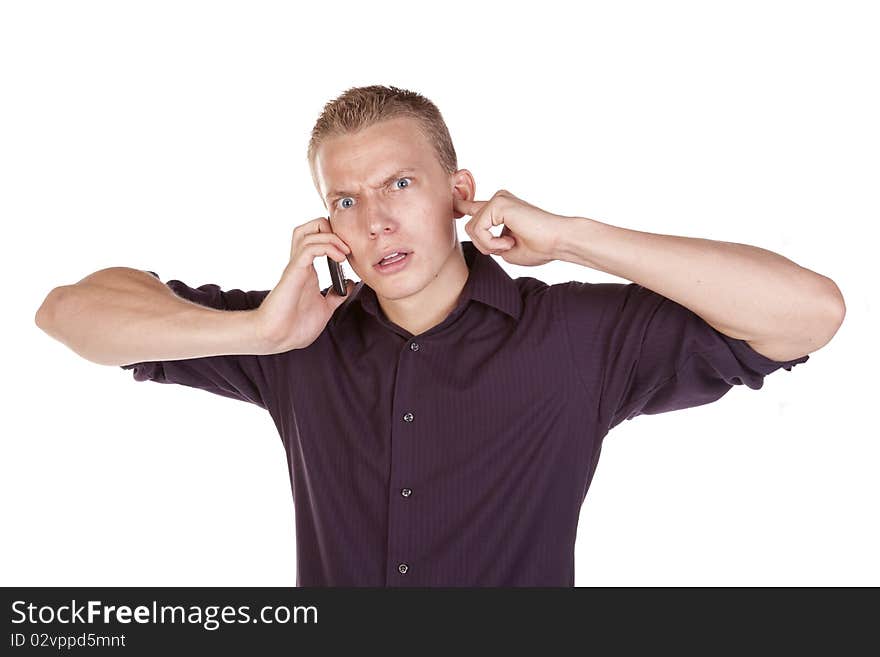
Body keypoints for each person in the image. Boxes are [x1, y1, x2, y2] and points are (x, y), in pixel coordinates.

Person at [34, 84, 845, 586]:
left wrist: (570, 236)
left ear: (458, 191)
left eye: (399, 182)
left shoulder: (568, 340)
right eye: (345, 199)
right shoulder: (294, 339)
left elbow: (811, 311)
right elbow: (68, 312)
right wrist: (256, 328)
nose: (376, 217)